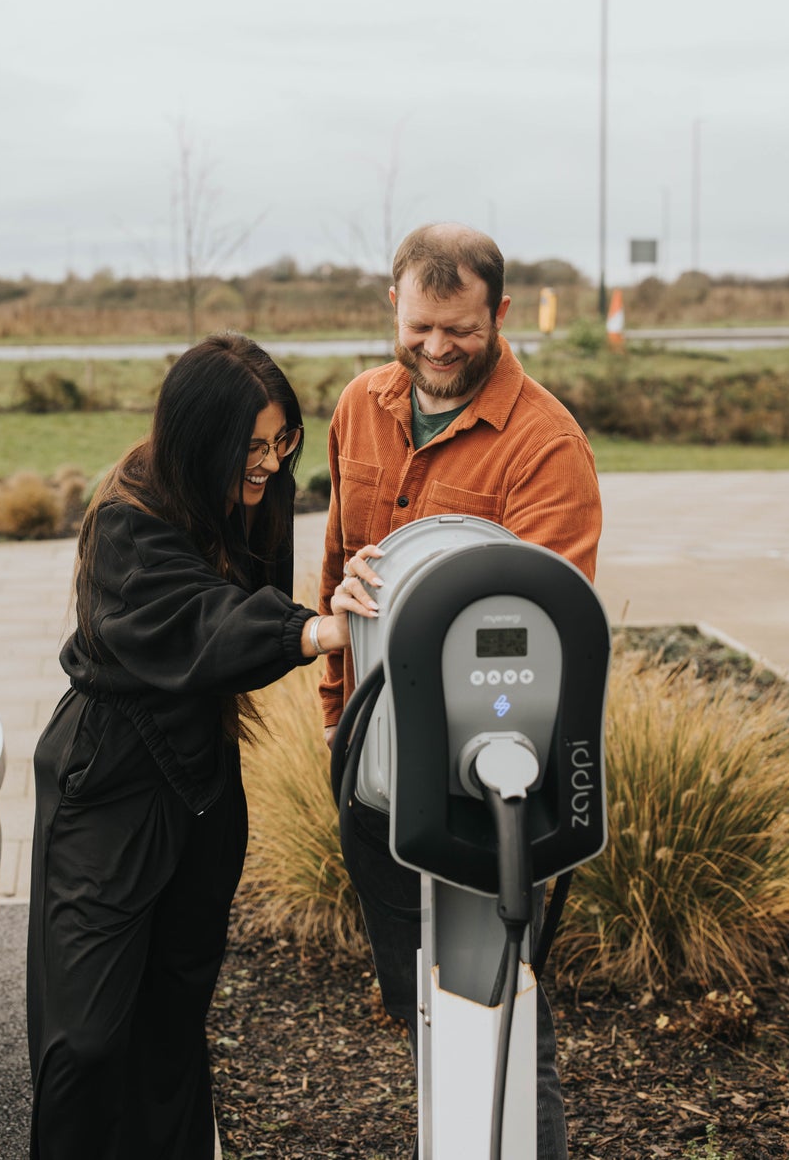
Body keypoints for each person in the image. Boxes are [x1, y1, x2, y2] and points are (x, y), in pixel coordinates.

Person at [27, 331, 380, 1160]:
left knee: (174, 1020)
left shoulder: (246, 493)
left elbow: (243, 620)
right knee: (84, 1039)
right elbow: (201, 620)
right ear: (198, 439)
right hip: (109, 778)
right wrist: (313, 628)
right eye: (251, 446)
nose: (267, 463)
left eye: (279, 440)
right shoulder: (125, 520)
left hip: (203, 783)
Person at [319, 223, 602, 1160]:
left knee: (501, 1001)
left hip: (484, 787)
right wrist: (338, 724)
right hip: (375, 772)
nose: (437, 349)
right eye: (419, 327)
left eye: (460, 330)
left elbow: (544, 639)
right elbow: (338, 578)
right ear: (391, 310)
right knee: (419, 1000)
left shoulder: (543, 445)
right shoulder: (360, 405)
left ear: (500, 315)